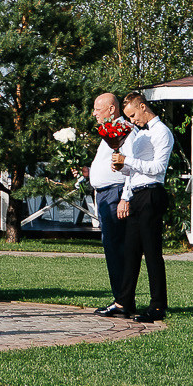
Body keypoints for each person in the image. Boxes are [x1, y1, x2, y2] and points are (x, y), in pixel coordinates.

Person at [114, 93, 172, 323]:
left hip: (152, 194)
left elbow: (158, 168)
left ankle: (158, 305)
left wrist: (127, 161)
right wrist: (122, 167)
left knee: (152, 253)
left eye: (133, 115)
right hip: (137, 194)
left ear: (143, 106)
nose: (132, 121)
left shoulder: (161, 132)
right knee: (130, 252)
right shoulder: (140, 135)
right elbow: (136, 170)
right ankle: (124, 301)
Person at [84, 94, 132, 317]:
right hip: (103, 195)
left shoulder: (123, 130)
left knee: (116, 248)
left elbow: (126, 166)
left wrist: (125, 197)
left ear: (112, 109)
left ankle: (123, 302)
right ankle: (120, 298)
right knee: (111, 248)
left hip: (115, 194)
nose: (94, 113)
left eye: (97, 109)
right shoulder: (109, 132)